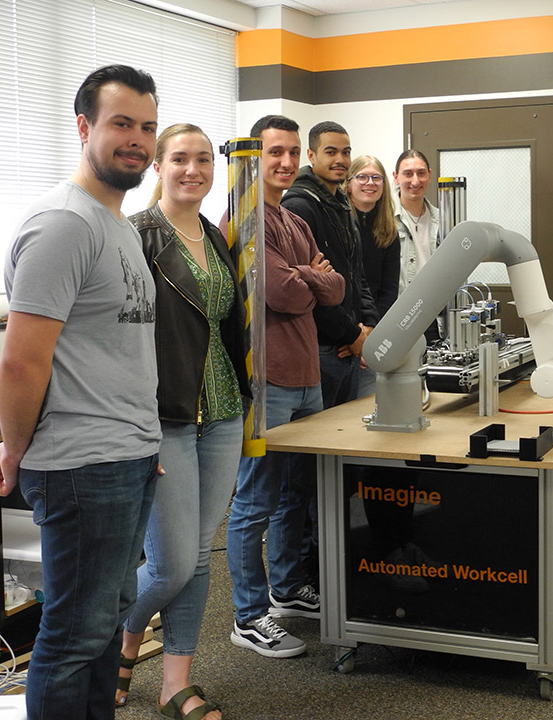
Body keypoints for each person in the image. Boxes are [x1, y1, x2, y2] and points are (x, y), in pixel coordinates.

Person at [0, 64, 162, 720]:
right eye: (122, 124)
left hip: (126, 456)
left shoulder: (115, 222)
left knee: (105, 624)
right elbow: (20, 363)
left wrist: (146, 441)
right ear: (85, 126)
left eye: (147, 126)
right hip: (83, 465)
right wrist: (15, 444)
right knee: (72, 637)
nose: (138, 140)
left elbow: (117, 352)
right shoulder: (64, 224)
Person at [114, 123, 249, 719]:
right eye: (180, 160)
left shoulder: (217, 237)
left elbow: (227, 325)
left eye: (202, 160)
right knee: (171, 566)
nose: (193, 169)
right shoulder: (137, 236)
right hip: (163, 416)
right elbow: (121, 340)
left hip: (222, 411)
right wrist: (137, 427)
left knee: (197, 558)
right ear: (158, 167)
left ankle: (175, 683)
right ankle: (112, 640)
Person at [222, 115, 344, 658]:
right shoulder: (246, 215)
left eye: (294, 152)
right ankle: (247, 616)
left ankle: (287, 589)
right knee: (254, 500)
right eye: (276, 152)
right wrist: (308, 276)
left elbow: (334, 288)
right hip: (268, 379)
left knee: (297, 493)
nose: (287, 162)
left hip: (307, 376)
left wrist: (308, 275)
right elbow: (283, 295)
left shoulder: (290, 217)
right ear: (255, 155)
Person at [281, 121, 378, 408]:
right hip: (324, 351)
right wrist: (352, 334)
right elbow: (311, 288)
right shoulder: (298, 207)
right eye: (331, 152)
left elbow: (356, 275)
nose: (340, 160)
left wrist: (368, 325)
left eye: (346, 152)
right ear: (311, 156)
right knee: (317, 449)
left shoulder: (343, 205)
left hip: (351, 345)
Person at [347, 155, 399, 398]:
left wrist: (370, 333)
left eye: (376, 177)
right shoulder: (340, 223)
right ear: (348, 183)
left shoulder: (389, 230)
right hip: (345, 329)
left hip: (374, 331)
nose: (370, 183)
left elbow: (389, 289)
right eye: (362, 177)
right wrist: (354, 332)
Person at [393, 149, 443, 343]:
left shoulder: (443, 220)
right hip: (399, 317)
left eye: (421, 173)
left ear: (429, 175)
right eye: (408, 174)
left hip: (434, 318)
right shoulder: (385, 220)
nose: (415, 181)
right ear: (396, 177)